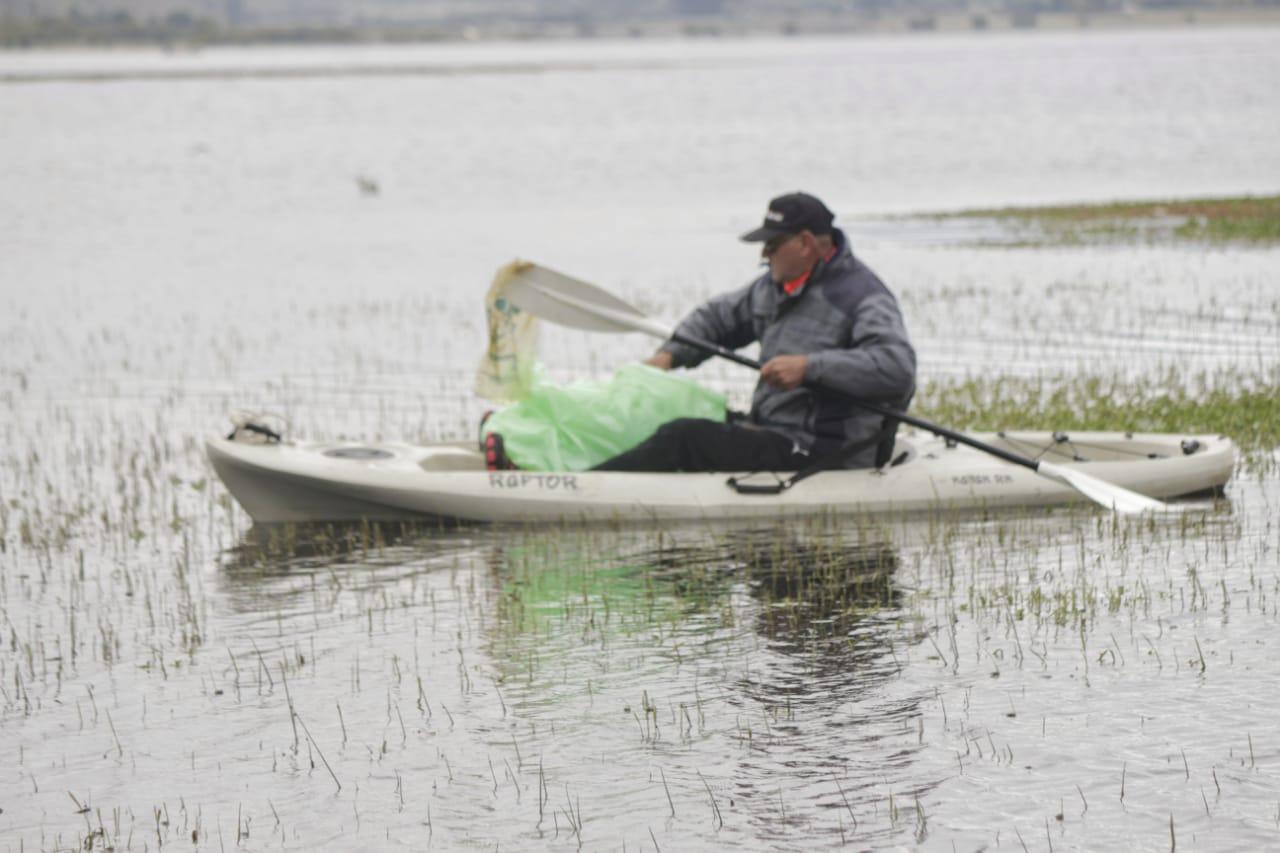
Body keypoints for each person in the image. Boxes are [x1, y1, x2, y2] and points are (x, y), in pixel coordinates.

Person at [592, 191, 916, 473]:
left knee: (683, 436)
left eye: (772, 245)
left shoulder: (863, 298)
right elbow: (717, 318)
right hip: (772, 431)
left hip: (823, 451)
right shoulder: (773, 287)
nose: (763, 255)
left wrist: (809, 367)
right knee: (674, 412)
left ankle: (586, 488)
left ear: (804, 243)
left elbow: (896, 367)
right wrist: (668, 357)